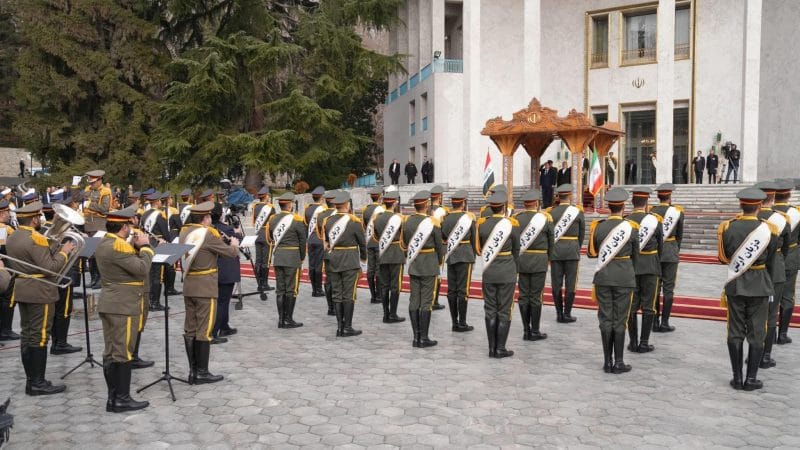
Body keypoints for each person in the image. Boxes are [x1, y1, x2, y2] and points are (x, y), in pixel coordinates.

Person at [7, 201, 76, 395]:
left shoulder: (14, 236)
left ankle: (32, 380)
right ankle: (38, 382)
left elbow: (35, 259)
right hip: (40, 291)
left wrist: (51, 245)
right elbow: (50, 268)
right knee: (40, 336)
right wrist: (64, 252)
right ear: (35, 218)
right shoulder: (35, 239)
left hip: (23, 288)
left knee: (28, 334)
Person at [717, 187, 779, 390]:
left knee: (734, 331)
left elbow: (723, 257)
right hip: (760, 285)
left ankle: (736, 378)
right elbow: (771, 260)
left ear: (741, 205)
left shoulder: (727, 227)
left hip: (736, 284)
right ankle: (751, 379)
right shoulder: (769, 229)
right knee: (757, 332)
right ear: (760, 206)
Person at [94, 206, 152, 412]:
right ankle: (121, 398)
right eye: (128, 225)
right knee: (123, 352)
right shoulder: (119, 246)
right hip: (123, 305)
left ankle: (113, 397)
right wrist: (145, 247)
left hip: (111, 302)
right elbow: (142, 269)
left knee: (111, 351)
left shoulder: (106, 242)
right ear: (124, 227)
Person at [179, 201, 239, 384]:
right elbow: (229, 253)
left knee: (190, 328)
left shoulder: (184, 232)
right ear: (205, 218)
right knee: (204, 329)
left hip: (189, 285)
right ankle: (202, 372)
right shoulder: (206, 234)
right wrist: (234, 244)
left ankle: (193, 370)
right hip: (205, 286)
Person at [587, 187, 639, 374]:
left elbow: (592, 253)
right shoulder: (631, 228)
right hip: (624, 277)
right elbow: (636, 256)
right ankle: (619, 362)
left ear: (608, 207)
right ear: (623, 207)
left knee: (606, 318)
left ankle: (607, 362)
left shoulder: (598, 227)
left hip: (603, 277)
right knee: (620, 319)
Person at [476, 191, 520, 358]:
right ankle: (500, 348)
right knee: (504, 309)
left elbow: (479, 248)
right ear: (503, 207)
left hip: (489, 271)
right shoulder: (511, 224)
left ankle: (491, 348)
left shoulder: (482, 224)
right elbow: (516, 249)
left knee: (490, 309)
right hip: (507, 271)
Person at [402, 190, 444, 348]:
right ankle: (424, 338)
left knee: (414, 301)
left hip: (414, 265)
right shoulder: (433, 222)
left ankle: (416, 337)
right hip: (429, 264)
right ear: (426, 205)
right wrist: (439, 262)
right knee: (426, 302)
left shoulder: (408, 221)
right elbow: (439, 247)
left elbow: (405, 243)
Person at [755, 181, 790, 368]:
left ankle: (753, 354)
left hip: (755, 271)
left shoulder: (752, 217)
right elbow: (785, 249)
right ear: (773, 197)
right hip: (775, 271)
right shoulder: (782, 219)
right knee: (771, 315)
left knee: (755, 316)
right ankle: (765, 356)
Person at [322, 191, 367, 337]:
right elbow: (362, 243)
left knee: (337, 294)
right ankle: (347, 327)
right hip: (349, 261)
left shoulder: (328, 221)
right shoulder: (354, 221)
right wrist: (364, 260)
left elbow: (327, 242)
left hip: (334, 260)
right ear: (347, 205)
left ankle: (339, 327)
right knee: (348, 294)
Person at [625, 187, 662, 353]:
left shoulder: (626, 221)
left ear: (632, 202)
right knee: (649, 305)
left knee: (632, 305)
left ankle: (633, 342)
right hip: (651, 266)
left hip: (631, 267)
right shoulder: (655, 220)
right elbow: (660, 247)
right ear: (646, 203)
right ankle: (644, 342)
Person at [513, 190, 553, 342]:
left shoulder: (517, 219)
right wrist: (547, 258)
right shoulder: (544, 219)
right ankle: (534, 330)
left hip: (522, 261)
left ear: (524, 204)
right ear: (536, 203)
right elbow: (551, 242)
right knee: (535, 297)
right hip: (539, 261)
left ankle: (526, 330)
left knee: (524, 295)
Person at [44, 203, 82, 356]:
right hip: (63, 276)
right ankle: (60, 343)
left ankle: (58, 342)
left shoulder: (51, 232)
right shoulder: (64, 235)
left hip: (58, 276)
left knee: (59, 310)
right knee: (64, 310)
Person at [267, 193, 307, 329]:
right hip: (292, 257)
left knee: (280, 289)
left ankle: (281, 319)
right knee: (291, 290)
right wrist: (301, 257)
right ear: (290, 204)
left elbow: (270, 238)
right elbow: (303, 242)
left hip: (278, 257)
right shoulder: (297, 220)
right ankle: (288, 319)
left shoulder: (272, 219)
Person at [548, 184, 585, 324]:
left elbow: (549, 234)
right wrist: (576, 247)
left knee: (556, 283)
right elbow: (581, 235)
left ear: (559, 196)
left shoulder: (551, 212)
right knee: (571, 284)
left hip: (556, 251)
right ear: (569, 196)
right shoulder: (577, 212)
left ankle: (559, 313)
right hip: (572, 251)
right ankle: (567, 313)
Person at [650, 184, 684, 332]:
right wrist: (676, 249)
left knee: (655, 288)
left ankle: (654, 322)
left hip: (656, 253)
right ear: (670, 197)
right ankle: (665, 322)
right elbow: (680, 235)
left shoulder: (652, 211)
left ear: (658, 197)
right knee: (669, 289)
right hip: (670, 251)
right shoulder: (677, 212)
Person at [441, 190, 475, 332]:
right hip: (465, 255)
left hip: (451, 256)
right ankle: (462, 322)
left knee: (452, 290)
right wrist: (473, 257)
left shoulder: (445, 218)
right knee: (463, 291)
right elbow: (474, 240)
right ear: (463, 203)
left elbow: (443, 237)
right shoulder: (469, 218)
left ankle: (454, 322)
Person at [372, 191, 405, 324]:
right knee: (395, 286)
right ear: (395, 202)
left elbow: (375, 236)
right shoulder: (399, 218)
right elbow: (404, 236)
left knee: (384, 285)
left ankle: (386, 314)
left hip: (383, 253)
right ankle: (393, 314)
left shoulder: (377, 218)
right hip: (396, 253)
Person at [211, 203, 242, 343]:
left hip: (215, 268)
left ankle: (224, 325)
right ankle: (215, 330)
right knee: (223, 302)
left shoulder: (209, 229)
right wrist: (237, 232)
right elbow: (238, 241)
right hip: (227, 268)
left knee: (221, 300)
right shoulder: (227, 229)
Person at [773, 180, 799, 345]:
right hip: (791, 257)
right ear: (789, 194)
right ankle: (782, 334)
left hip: (772, 259)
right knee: (787, 296)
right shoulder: (796, 213)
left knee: (770, 297)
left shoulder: (767, 213)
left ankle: (768, 335)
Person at [83, 169, 112, 290]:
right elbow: (78, 198)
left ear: (99, 180)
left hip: (99, 224)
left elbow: (105, 209)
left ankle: (102, 279)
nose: (91, 184)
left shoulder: (105, 191)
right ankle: (94, 278)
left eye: (93, 182)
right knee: (91, 254)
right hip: (88, 224)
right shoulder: (87, 189)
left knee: (99, 253)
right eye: (90, 182)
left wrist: (90, 205)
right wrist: (74, 186)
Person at [141, 191, 170, 312]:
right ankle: (155, 302)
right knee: (158, 274)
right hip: (158, 244)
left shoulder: (144, 214)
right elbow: (165, 232)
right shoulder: (160, 214)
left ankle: (149, 301)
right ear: (158, 202)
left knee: (149, 274)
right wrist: (168, 241)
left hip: (147, 243)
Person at [316, 190, 338, 315]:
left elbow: (320, 234)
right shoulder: (342, 216)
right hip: (340, 252)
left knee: (328, 280)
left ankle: (330, 307)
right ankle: (337, 305)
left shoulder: (321, 215)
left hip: (327, 250)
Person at [361, 187, 384, 304]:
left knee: (370, 269)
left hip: (370, 242)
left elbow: (364, 226)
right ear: (380, 196)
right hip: (379, 242)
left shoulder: (366, 209)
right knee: (378, 269)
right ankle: (379, 295)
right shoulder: (382, 209)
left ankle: (373, 295)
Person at [0, 200, 19, 343]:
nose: (8, 215)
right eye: (6, 212)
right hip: (5, 266)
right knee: (8, 298)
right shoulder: (4, 229)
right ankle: (5, 329)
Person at [303, 186, 326, 298]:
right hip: (320, 240)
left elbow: (305, 225)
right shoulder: (323, 210)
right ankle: (319, 289)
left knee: (311, 264)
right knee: (319, 265)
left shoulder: (307, 209)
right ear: (321, 198)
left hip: (310, 240)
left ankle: (313, 290)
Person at [253, 186, 276, 297]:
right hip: (267, 235)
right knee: (266, 260)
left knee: (258, 259)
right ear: (266, 196)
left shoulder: (255, 207)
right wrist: (273, 237)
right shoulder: (270, 207)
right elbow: (273, 224)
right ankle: (265, 283)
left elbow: (253, 222)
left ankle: (259, 283)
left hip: (258, 235)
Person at [428, 185, 448, 311]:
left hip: (427, 244)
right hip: (439, 244)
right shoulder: (442, 211)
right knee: (438, 273)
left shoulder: (426, 209)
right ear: (440, 197)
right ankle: (434, 300)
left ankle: (428, 297)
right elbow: (445, 229)